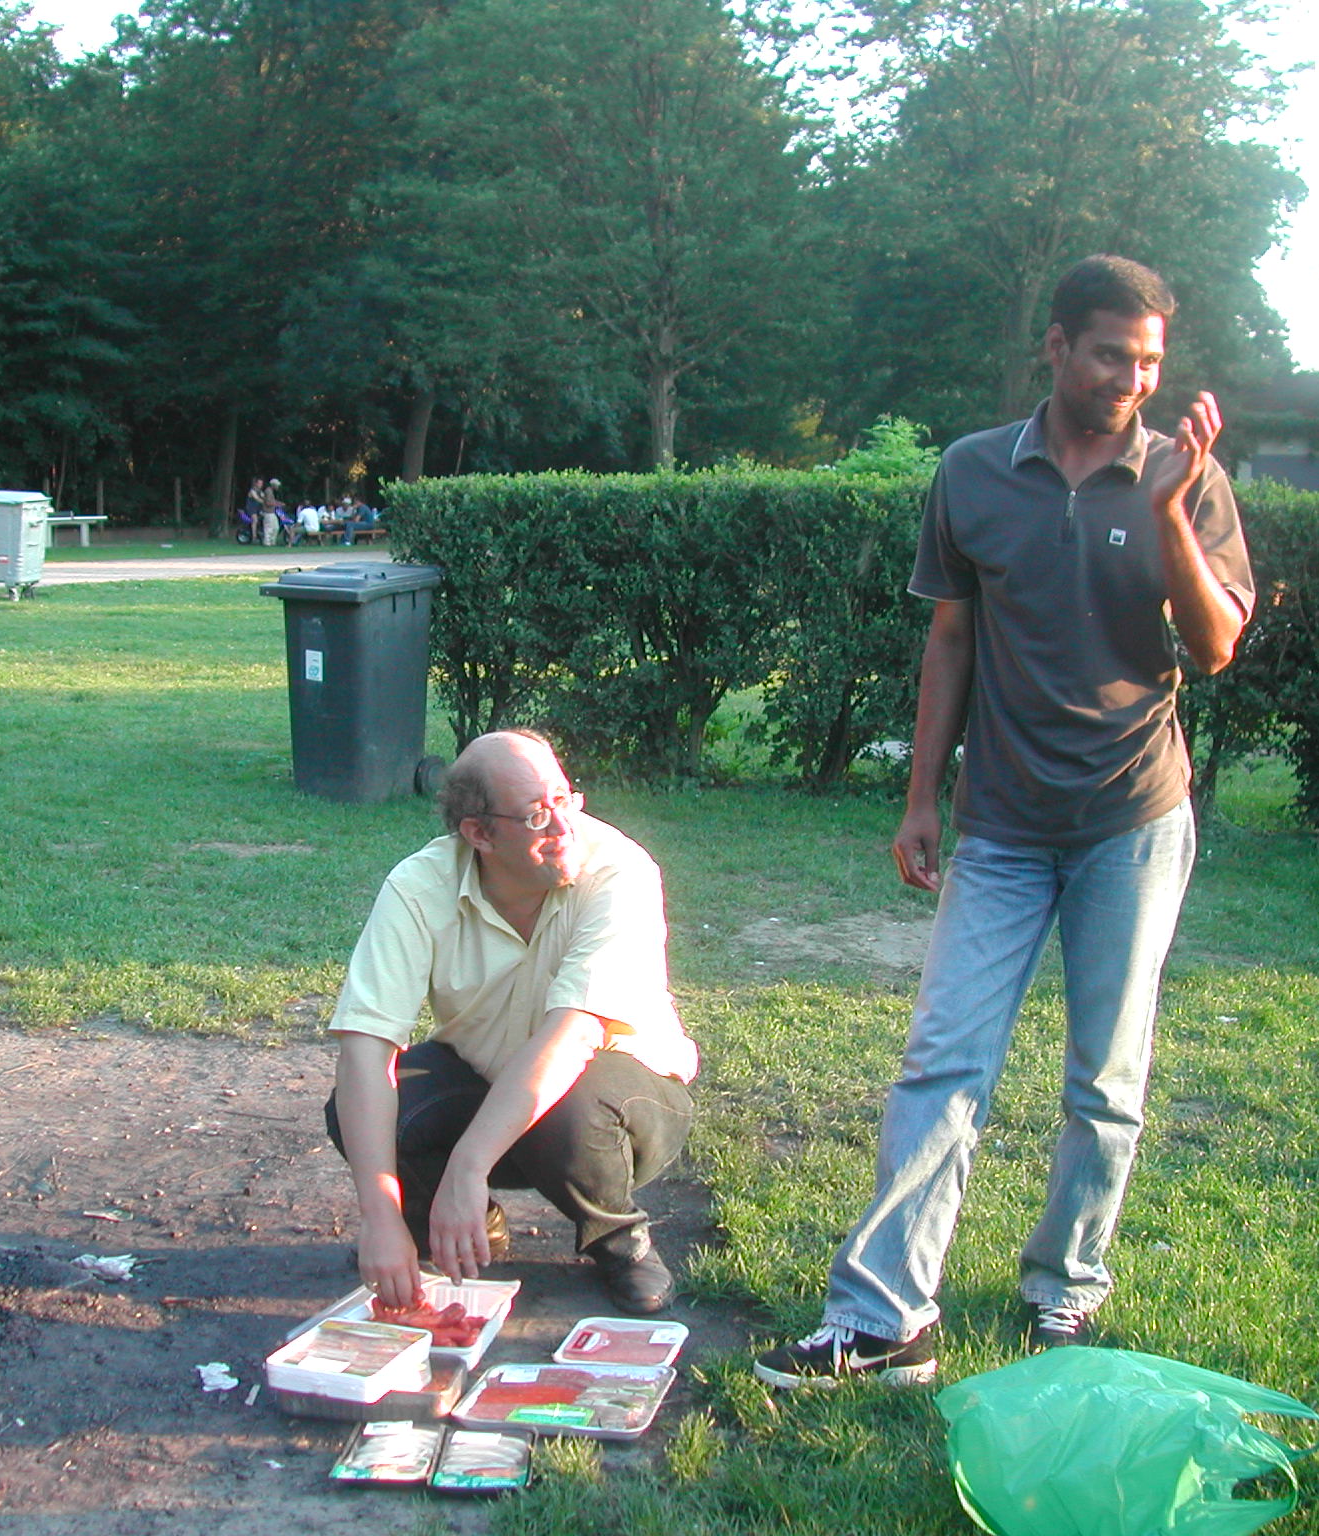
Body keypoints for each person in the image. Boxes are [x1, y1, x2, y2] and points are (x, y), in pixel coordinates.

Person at [755, 254, 1254, 1390]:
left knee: (1105, 1080)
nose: (1132, 379)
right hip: (1003, 824)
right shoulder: (973, 471)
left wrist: (1168, 512)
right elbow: (951, 638)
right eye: (1111, 355)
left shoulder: (1186, 478)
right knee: (943, 1060)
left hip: (1133, 817)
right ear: (1056, 345)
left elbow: (1215, 644)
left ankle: (1064, 1285)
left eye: (1150, 361)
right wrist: (921, 795)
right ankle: (883, 1316)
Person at [324, 730, 697, 1315]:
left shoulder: (620, 871)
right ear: (479, 834)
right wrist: (379, 1215)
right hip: (485, 1078)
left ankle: (621, 1241)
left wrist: (468, 1166)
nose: (565, 825)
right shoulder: (420, 887)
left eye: (565, 798)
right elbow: (365, 1050)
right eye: (536, 814)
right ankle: (453, 1226)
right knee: (366, 1106)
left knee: (569, 1107)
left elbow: (573, 1036)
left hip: (620, 1099)